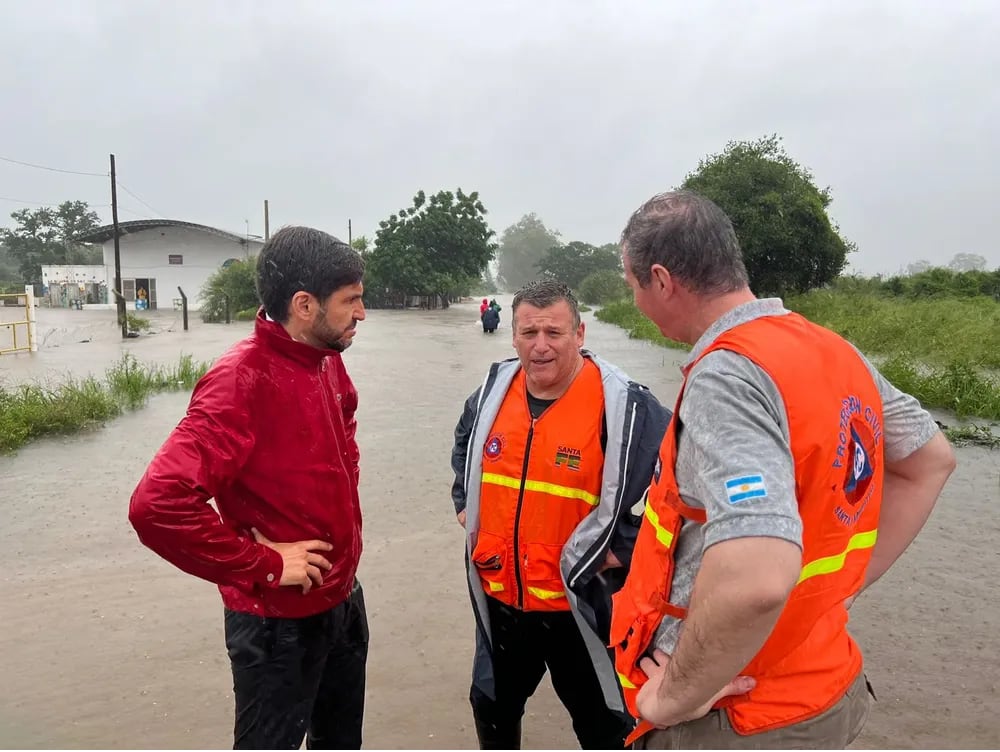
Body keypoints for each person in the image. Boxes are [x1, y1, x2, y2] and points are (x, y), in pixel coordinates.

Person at [610, 190, 957, 749]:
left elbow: (758, 576)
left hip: (741, 716)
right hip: (826, 685)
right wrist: (839, 591)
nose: (637, 306)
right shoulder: (831, 349)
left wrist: (672, 696)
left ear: (662, 279)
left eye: (633, 289)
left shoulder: (727, 377)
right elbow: (930, 461)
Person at [128, 226, 370, 750]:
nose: (362, 312)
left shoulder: (327, 360)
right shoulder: (241, 380)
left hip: (342, 598)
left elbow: (342, 444)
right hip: (277, 624)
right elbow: (157, 506)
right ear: (305, 305)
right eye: (351, 300)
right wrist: (263, 564)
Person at [451, 279, 672, 749]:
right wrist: (464, 505)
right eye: (529, 333)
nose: (541, 346)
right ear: (512, 335)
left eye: (554, 332)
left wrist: (628, 548)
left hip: (585, 609)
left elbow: (680, 494)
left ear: (580, 333)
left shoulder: (627, 408)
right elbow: (464, 451)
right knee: (491, 708)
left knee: (607, 728)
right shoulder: (490, 394)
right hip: (502, 602)